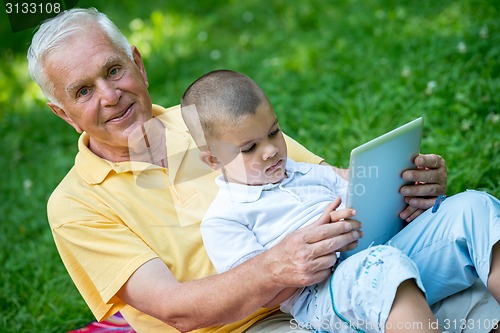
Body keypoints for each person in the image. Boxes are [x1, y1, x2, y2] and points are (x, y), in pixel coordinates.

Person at [26, 7, 498, 333]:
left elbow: (332, 181)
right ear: (63, 113)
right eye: (83, 91)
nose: (110, 97)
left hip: (344, 267)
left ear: (138, 65)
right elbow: (175, 311)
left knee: (474, 226)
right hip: (245, 325)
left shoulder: (217, 118)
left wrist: (402, 186)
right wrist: (277, 268)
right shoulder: (75, 205)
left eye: (112, 71)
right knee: (402, 287)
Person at [180, 70, 500, 332]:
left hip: (381, 250)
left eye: (274, 132)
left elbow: (361, 192)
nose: (271, 150)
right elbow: (260, 295)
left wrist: (402, 185)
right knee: (382, 266)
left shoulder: (304, 173)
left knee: (475, 207)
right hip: (322, 298)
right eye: (249, 147)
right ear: (212, 160)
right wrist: (317, 251)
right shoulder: (225, 219)